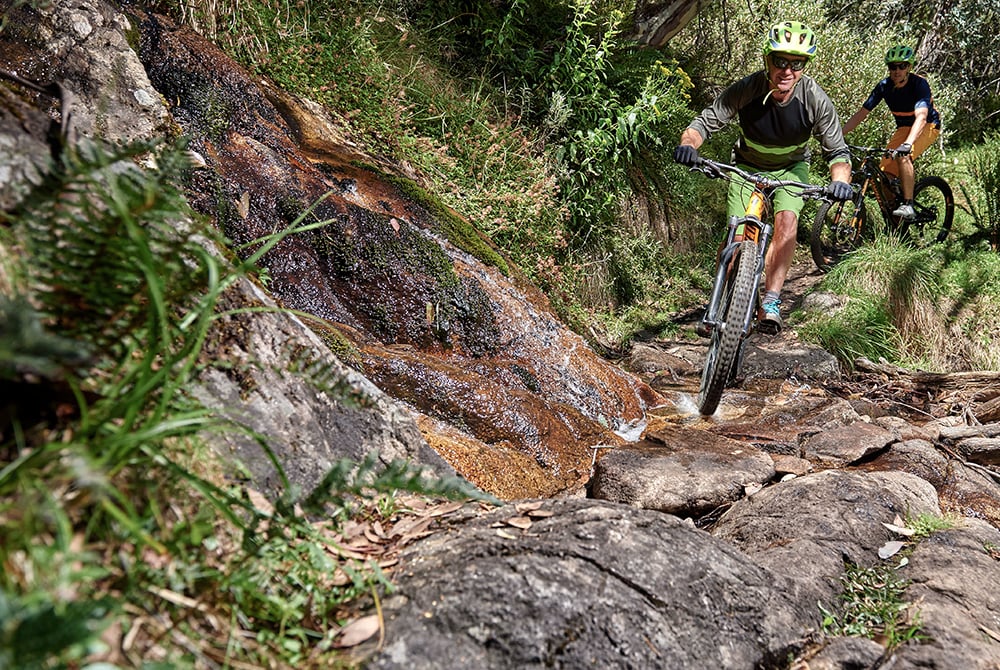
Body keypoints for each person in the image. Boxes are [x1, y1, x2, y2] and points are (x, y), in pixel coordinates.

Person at [673, 21, 852, 333]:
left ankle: (770, 300)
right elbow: (705, 122)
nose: (787, 71)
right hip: (746, 166)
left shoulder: (814, 98)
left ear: (804, 66)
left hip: (791, 169)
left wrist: (840, 182)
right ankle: (720, 298)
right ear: (767, 59)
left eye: (797, 64)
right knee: (738, 235)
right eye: (780, 61)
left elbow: (837, 151)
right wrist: (688, 146)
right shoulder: (748, 88)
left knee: (786, 223)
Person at [841, 45, 941, 219]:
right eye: (892, 67)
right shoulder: (884, 86)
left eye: (902, 66)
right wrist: (839, 135)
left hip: (927, 126)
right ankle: (895, 220)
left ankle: (908, 204)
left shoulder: (919, 84)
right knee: (885, 174)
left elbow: (922, 117)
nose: (897, 71)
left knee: (904, 155)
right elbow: (861, 114)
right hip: (904, 127)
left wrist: (908, 143)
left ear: (909, 67)